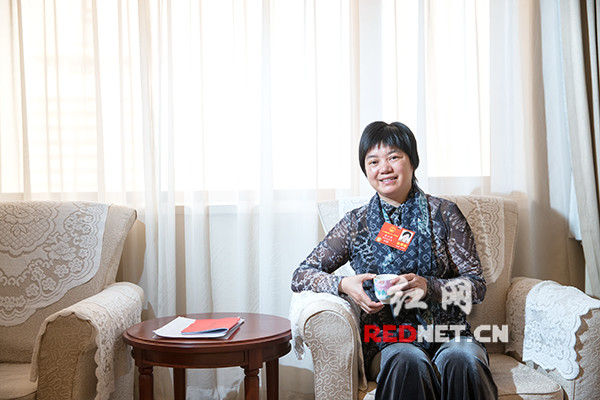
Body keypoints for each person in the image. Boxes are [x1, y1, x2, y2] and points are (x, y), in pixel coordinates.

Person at [291, 121, 498, 399]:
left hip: (450, 334)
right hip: (389, 340)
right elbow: (302, 275)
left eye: (394, 157)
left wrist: (430, 287)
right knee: (406, 361)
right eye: (373, 161)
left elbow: (476, 286)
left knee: (463, 360)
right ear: (366, 170)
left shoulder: (445, 214)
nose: (384, 168)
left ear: (412, 161)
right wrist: (344, 285)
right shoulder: (357, 224)